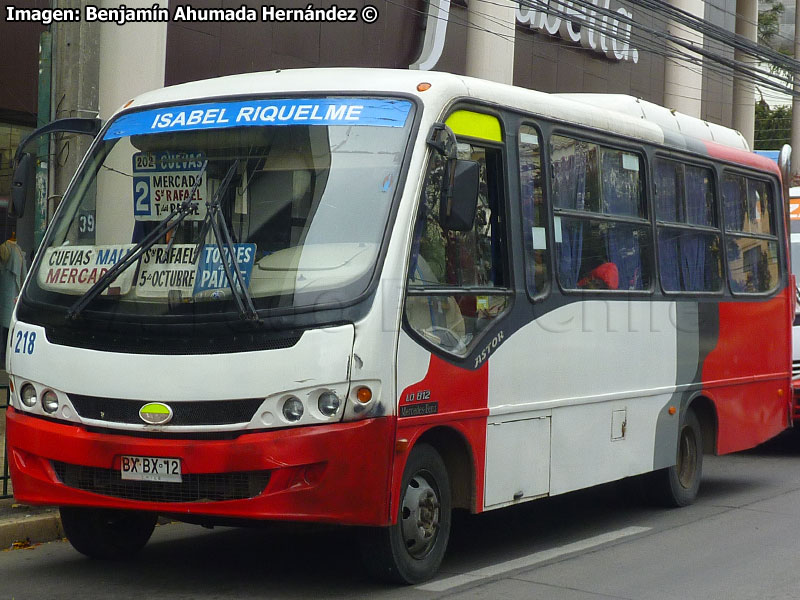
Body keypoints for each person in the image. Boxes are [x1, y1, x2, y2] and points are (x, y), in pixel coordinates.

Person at [0, 232, 27, 364]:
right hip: (8, 293)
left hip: (11, 294)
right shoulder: (8, 248)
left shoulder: (16, 249)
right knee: (6, 326)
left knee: (8, 326)